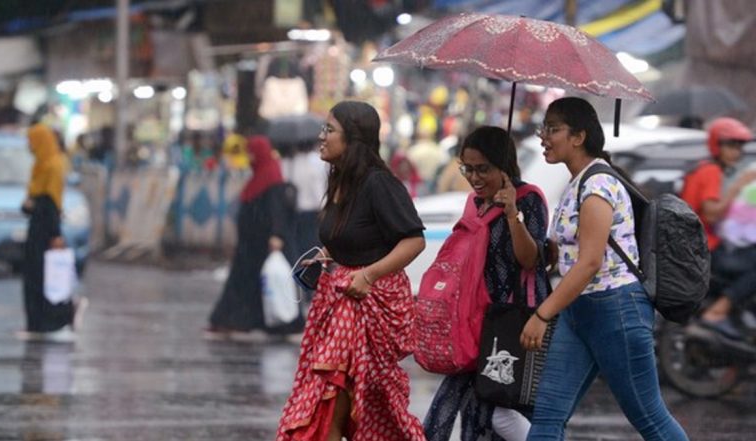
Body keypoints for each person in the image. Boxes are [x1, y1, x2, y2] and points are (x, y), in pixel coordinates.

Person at [520, 97, 689, 440]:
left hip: (616, 310)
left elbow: (591, 262)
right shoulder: (577, 182)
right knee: (548, 415)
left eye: (553, 129)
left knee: (649, 418)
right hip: (579, 310)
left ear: (578, 137)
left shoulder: (597, 185)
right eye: (544, 128)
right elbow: (569, 254)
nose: (543, 137)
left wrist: (542, 314)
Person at [275, 101, 427, 441]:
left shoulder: (380, 184)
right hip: (338, 299)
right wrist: (329, 255)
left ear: (353, 138)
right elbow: (354, 234)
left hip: (367, 305)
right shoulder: (341, 180)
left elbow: (413, 241)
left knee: (331, 401)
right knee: (338, 405)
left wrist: (368, 275)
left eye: (329, 130)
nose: (321, 137)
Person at [423, 126, 550, 441]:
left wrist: (511, 214)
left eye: (483, 169)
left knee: (488, 405)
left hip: (511, 324)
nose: (475, 177)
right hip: (476, 320)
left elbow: (530, 259)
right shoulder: (475, 203)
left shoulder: (528, 198)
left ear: (503, 165)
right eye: (468, 168)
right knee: (479, 408)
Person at [205, 136, 302, 342]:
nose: (249, 157)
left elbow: (277, 210)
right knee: (249, 284)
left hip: (264, 244)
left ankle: (281, 324)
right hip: (251, 245)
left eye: (251, 152)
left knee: (263, 284)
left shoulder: (272, 177)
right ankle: (233, 321)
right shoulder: (259, 176)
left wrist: (277, 235)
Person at [679, 117, 756, 337]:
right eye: (731, 146)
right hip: (706, 250)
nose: (736, 152)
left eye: (739, 146)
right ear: (716, 145)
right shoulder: (711, 171)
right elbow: (711, 214)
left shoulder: (702, 168)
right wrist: (739, 185)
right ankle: (719, 310)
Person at [18, 123, 86, 342]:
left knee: (45, 277)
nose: (29, 146)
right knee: (34, 275)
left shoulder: (55, 165)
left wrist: (56, 235)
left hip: (46, 229)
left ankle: (62, 315)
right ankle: (37, 324)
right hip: (36, 228)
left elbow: (51, 204)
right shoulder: (40, 165)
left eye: (32, 141)